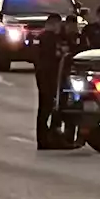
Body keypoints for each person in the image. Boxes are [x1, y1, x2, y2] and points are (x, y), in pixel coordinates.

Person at [34, 13, 72, 149]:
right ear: (52, 24)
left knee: (49, 108)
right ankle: (45, 139)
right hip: (48, 77)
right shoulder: (47, 38)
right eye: (57, 24)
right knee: (47, 108)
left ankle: (48, 138)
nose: (59, 27)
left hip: (49, 76)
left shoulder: (45, 38)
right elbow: (53, 56)